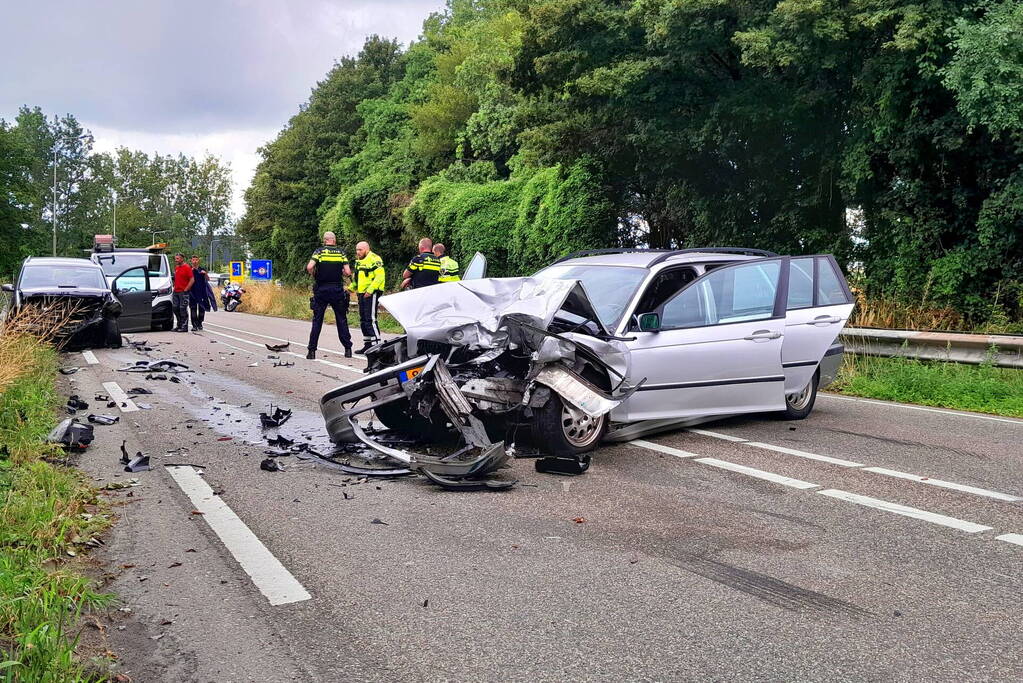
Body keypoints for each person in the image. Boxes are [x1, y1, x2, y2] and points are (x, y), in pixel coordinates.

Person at [306, 231, 353, 359]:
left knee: (317, 320)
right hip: (337, 289)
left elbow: (310, 266)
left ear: (324, 240)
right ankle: (348, 349)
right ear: (334, 240)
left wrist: (313, 273)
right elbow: (348, 272)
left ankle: (312, 351)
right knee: (341, 319)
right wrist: (341, 272)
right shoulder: (341, 252)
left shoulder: (319, 252)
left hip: (321, 289)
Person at [353, 241, 385, 354]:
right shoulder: (359, 261)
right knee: (363, 320)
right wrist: (351, 288)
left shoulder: (375, 258)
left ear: (367, 249)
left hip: (372, 292)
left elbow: (380, 277)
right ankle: (367, 345)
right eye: (357, 250)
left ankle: (377, 346)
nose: (358, 252)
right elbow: (357, 279)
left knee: (370, 319)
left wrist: (370, 290)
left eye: (360, 250)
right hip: (362, 293)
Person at [188, 255, 213, 331]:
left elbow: (208, 279)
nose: (195, 261)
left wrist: (205, 273)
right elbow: (186, 279)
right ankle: (194, 325)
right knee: (193, 308)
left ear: (198, 261)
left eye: (196, 260)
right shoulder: (189, 269)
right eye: (193, 260)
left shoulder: (202, 269)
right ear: (191, 261)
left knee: (202, 309)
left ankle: (200, 323)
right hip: (192, 292)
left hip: (202, 292)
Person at [171, 253, 193, 332]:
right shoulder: (177, 267)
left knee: (182, 308)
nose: (176, 260)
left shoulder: (187, 267)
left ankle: (184, 326)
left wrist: (186, 289)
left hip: (183, 292)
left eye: (177, 259)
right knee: (175, 308)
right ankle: (179, 325)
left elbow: (192, 279)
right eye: (175, 258)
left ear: (182, 259)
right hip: (176, 291)